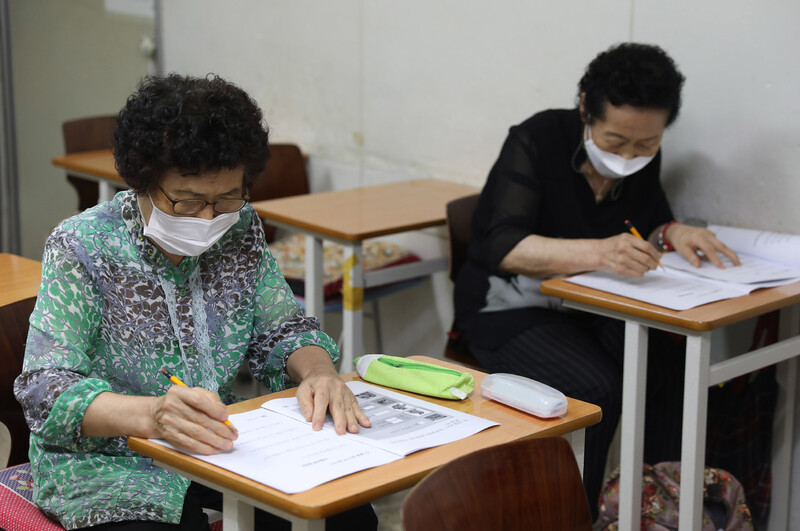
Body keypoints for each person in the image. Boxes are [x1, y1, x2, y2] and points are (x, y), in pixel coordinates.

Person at [14, 74, 377, 530]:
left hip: (214, 445)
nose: (209, 218)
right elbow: (46, 390)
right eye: (188, 201)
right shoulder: (83, 246)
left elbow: (283, 331)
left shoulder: (240, 228)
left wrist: (320, 373)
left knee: (345, 516)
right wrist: (151, 415)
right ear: (143, 181)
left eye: (227, 197)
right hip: (109, 464)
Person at [452, 43, 740, 517]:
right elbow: (502, 246)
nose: (630, 155)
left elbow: (647, 224)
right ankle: (575, 516)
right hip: (507, 308)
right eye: (615, 141)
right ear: (585, 106)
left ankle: (657, 511)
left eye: (646, 144)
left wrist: (674, 231)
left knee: (671, 371)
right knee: (598, 388)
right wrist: (599, 252)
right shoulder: (537, 138)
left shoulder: (642, 155)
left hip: (589, 307)